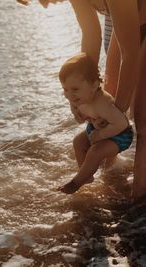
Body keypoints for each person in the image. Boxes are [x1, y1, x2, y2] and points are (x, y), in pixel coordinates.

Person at [16, 0, 146, 201]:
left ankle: (138, 203)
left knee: (142, 122)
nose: (44, 5)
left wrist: (116, 116)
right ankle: (111, 178)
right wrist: (80, 99)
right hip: (133, 24)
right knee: (106, 95)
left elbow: (130, 55)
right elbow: (91, 36)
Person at [57, 53, 133, 194]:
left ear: (95, 85)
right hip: (99, 130)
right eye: (65, 89)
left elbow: (122, 124)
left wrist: (101, 134)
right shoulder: (79, 99)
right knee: (78, 142)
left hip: (119, 136)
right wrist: (82, 117)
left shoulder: (103, 103)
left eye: (75, 89)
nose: (69, 95)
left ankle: (76, 182)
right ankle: (86, 176)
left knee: (94, 152)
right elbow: (83, 118)